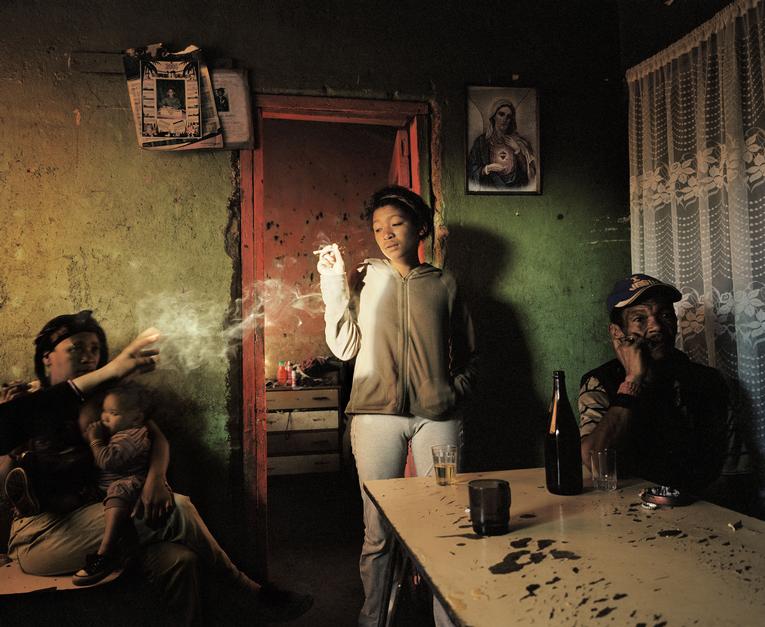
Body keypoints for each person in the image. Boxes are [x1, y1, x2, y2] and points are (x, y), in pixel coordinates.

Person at [2, 311, 311, 625]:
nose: (87, 357)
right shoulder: (27, 406)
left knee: (180, 560)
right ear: (47, 357)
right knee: (179, 509)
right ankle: (251, 593)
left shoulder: (106, 402)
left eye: (94, 349)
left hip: (101, 517)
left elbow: (155, 437)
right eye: (76, 348)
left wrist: (156, 479)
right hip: (45, 535)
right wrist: (14, 454)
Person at [316, 186, 478, 626]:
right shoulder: (365, 277)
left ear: (420, 228)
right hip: (374, 416)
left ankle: (446, 621)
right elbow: (344, 348)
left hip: (437, 419)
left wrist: (453, 392)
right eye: (377, 228)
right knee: (379, 530)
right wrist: (332, 286)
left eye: (396, 224)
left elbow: (470, 355)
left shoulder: (444, 284)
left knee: (444, 522)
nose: (386, 234)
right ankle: (374, 620)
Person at [579, 274, 729, 495]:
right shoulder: (601, 382)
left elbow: (734, 471)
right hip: (628, 506)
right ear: (617, 333)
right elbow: (593, 460)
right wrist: (632, 381)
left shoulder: (706, 380)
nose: (656, 327)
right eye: (640, 319)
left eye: (665, 315)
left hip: (699, 504)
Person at [71, 381, 152, 585]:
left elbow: (108, 461)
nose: (104, 417)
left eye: (113, 413)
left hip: (128, 485)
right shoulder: (119, 433)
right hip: (106, 487)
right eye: (104, 411)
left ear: (136, 418)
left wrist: (95, 440)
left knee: (117, 491)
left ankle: (105, 553)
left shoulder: (133, 436)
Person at [468, 99, 536, 190]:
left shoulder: (519, 142)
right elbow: (471, 171)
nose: (505, 119)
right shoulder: (481, 142)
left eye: (509, 116)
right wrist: (487, 169)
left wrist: (517, 150)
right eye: (501, 114)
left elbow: (528, 173)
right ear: (493, 117)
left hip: (515, 190)